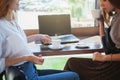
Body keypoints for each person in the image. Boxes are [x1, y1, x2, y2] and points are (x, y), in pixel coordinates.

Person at [0, 0, 80, 80]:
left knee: (70, 71)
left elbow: (19, 42)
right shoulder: (1, 26)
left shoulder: (12, 22)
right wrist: (28, 57)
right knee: (74, 76)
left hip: (31, 70)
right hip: (26, 75)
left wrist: (38, 36)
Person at [64, 0, 120, 80]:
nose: (101, 4)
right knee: (72, 63)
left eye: (104, 0)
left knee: (72, 64)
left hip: (114, 69)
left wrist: (103, 58)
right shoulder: (116, 16)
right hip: (111, 65)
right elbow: (106, 42)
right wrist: (101, 21)